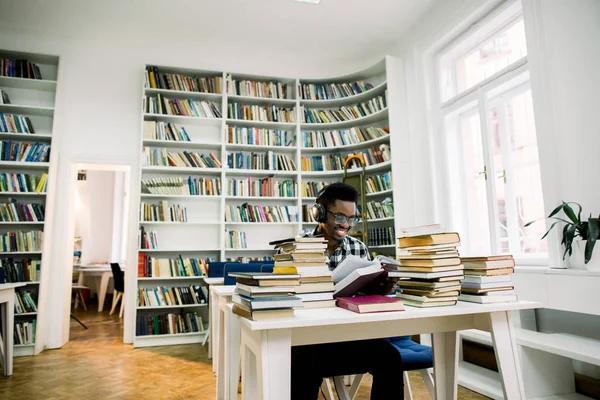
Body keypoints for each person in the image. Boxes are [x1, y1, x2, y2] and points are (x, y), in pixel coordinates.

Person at [291, 182, 403, 400]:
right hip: (306, 339)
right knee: (303, 366)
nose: (347, 225)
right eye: (340, 218)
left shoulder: (358, 248)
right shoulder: (295, 247)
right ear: (320, 214)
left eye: (352, 219)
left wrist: (380, 289)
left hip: (347, 338)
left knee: (390, 358)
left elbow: (363, 296)